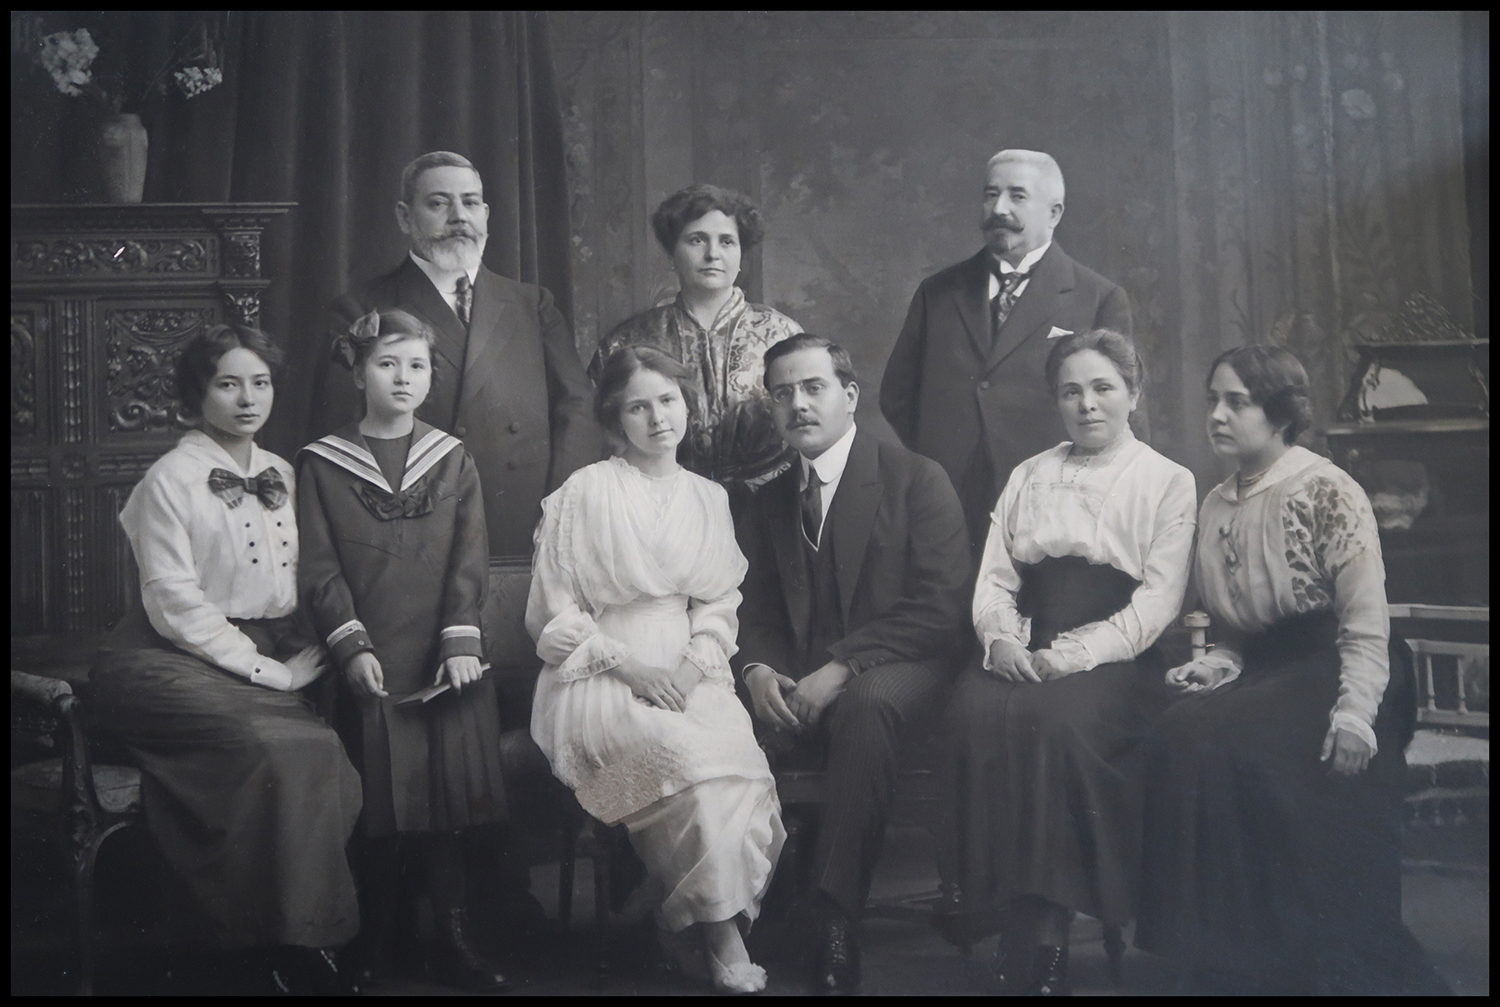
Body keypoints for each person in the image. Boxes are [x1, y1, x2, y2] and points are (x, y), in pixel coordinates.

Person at [1135, 346, 1448, 995]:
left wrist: (1355, 714)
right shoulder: (1217, 503)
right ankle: (1226, 959)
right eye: (1213, 401)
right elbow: (1236, 625)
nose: (1217, 415)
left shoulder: (1327, 489)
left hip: (1345, 662)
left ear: (1279, 412)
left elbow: (1365, 617)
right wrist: (1220, 662)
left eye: (1236, 402)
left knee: (1220, 739)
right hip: (1269, 669)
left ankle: (1286, 959)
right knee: (1176, 729)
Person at [90, 325, 362, 994]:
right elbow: (174, 604)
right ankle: (245, 947)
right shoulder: (168, 480)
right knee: (268, 750)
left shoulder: (284, 474)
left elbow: (302, 579)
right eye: (228, 384)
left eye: (260, 383)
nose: (248, 399)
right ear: (197, 395)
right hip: (163, 659)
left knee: (320, 752)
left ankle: (300, 938)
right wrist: (275, 673)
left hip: (256, 655)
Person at [939, 330, 1197, 995]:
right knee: (972, 710)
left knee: (1053, 725)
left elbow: (1158, 601)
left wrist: (1074, 655)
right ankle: (1005, 917)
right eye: (1071, 391)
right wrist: (1001, 640)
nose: (1087, 405)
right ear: (1056, 400)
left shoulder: (1167, 479)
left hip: (1116, 651)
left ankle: (1047, 932)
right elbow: (996, 576)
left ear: (1133, 393)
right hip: (1027, 636)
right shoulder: (1029, 473)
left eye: (1103, 388)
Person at [527, 346, 784, 994]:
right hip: (599, 675)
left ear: (686, 405)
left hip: (690, 668)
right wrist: (630, 668)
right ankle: (722, 938)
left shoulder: (709, 497)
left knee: (736, 774)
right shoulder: (583, 492)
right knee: (686, 765)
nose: (658, 417)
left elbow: (719, 602)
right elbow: (553, 613)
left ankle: (672, 911)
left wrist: (694, 669)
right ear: (616, 418)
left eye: (668, 400)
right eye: (638, 407)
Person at [735, 333, 973, 994]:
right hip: (802, 676)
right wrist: (759, 669)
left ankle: (834, 917)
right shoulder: (768, 499)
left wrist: (842, 667)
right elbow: (754, 609)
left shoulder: (916, 478)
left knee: (866, 705)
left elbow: (941, 608)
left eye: (813, 388)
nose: (798, 405)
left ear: (850, 395)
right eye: (782, 393)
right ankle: (732, 912)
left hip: (908, 668)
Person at [297, 308, 509, 992]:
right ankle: (374, 938)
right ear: (358, 372)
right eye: (387, 363)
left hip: (444, 655)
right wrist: (351, 645)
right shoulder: (322, 463)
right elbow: (319, 568)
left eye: (417, 364)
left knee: (445, 805)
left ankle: (452, 938)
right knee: (379, 803)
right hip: (373, 654)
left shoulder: (451, 457)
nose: (403, 377)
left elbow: (468, 557)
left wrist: (460, 637)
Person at [310, 150, 600, 559]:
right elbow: (342, 436)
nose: (459, 216)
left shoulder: (532, 304)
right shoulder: (361, 308)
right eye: (438, 203)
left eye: (470, 203)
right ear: (404, 217)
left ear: (485, 214)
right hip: (417, 532)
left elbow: (578, 407)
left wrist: (559, 509)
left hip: (526, 528)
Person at [880, 149, 1133, 555]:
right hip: (950, 506)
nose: (999, 208)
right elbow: (897, 394)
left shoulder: (1097, 297)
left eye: (1017, 196)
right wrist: (943, 454)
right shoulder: (938, 292)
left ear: (1054, 213)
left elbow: (1121, 409)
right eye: (990, 194)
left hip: (1052, 506)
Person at [590, 183, 802, 499]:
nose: (712, 254)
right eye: (697, 240)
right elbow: (599, 435)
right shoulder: (627, 341)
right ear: (672, 254)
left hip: (770, 506)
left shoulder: (782, 334)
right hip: (662, 503)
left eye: (727, 241)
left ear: (740, 256)